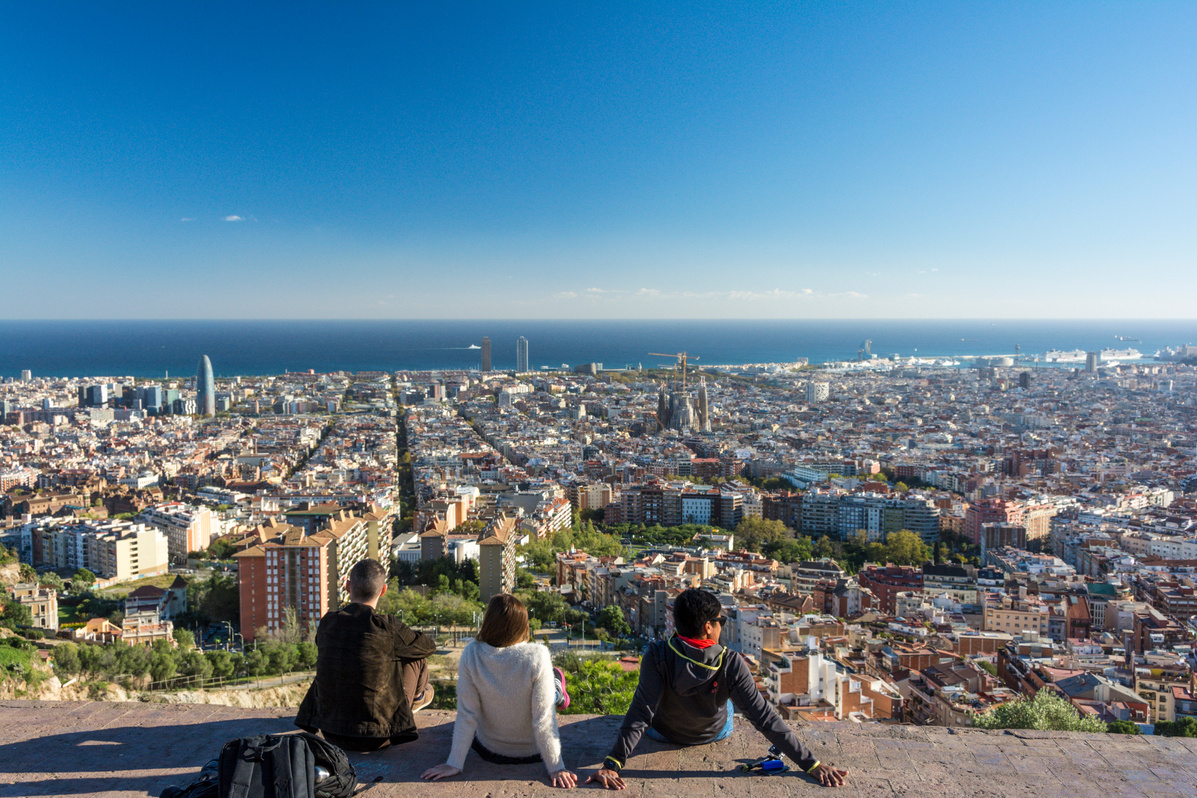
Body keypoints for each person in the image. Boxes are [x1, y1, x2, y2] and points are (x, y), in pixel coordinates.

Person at [587, 588, 848, 789]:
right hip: (713, 733)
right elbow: (763, 717)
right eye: (719, 620)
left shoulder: (657, 654)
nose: (722, 624)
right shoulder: (730, 662)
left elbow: (641, 712)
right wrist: (810, 763)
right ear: (708, 626)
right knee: (734, 702)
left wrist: (614, 763)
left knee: (650, 701)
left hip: (662, 733)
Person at [421, 594, 576, 789]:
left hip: (489, 750)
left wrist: (454, 763)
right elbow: (543, 718)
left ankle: (555, 688)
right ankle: (557, 690)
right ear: (522, 626)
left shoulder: (472, 653)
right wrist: (556, 767)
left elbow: (467, 714)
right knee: (549, 694)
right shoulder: (537, 655)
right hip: (533, 753)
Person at [295, 558, 436, 752]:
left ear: (348, 586)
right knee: (416, 655)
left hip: (331, 733)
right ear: (383, 590)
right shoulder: (386, 626)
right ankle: (418, 698)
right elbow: (428, 646)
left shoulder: (328, 623)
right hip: (379, 737)